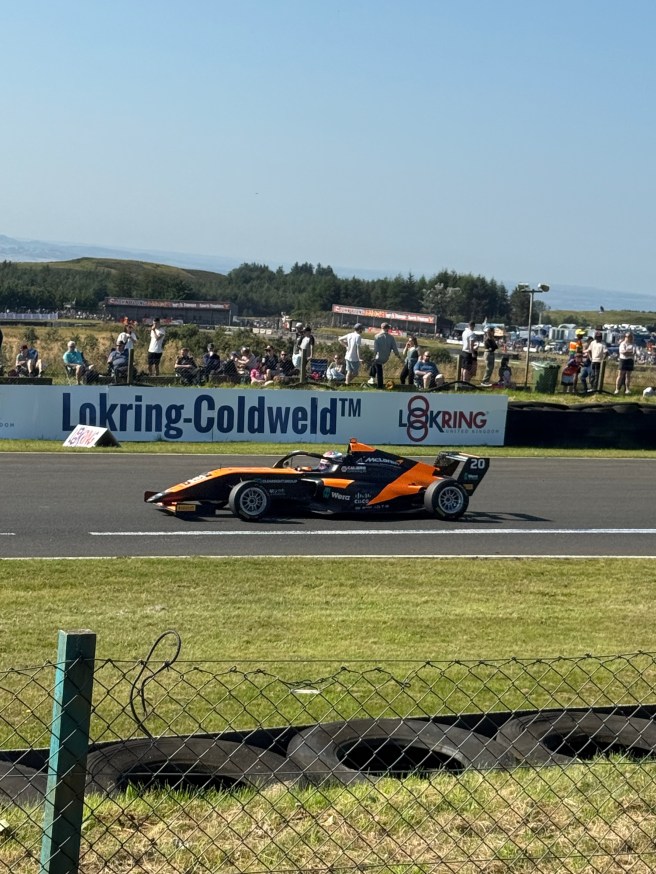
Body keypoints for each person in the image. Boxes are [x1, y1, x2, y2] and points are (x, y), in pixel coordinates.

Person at [369, 322, 401, 388]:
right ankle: (373, 379)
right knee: (376, 365)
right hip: (386, 357)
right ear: (388, 328)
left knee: (376, 365)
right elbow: (395, 349)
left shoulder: (377, 336)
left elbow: (375, 349)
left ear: (381, 328)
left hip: (378, 356)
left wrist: (373, 356)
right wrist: (399, 356)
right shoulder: (391, 337)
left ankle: (376, 381)